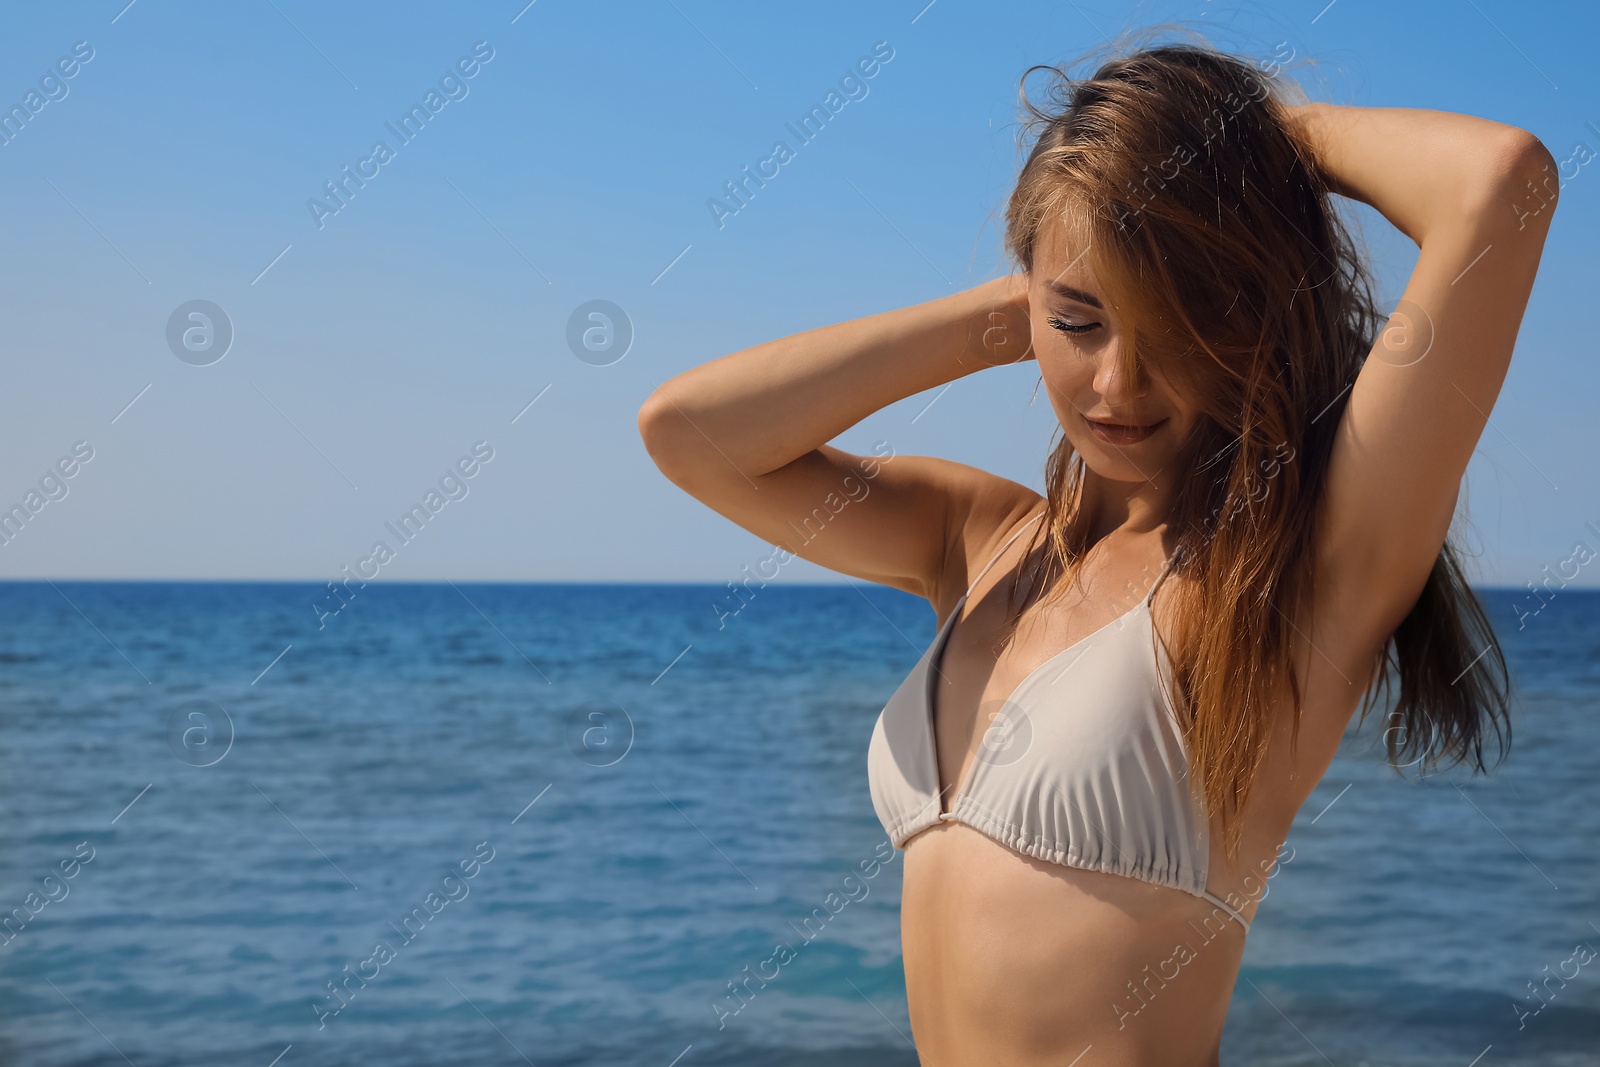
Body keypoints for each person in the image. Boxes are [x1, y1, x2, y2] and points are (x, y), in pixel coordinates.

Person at [637, 36, 1555, 1066]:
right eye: (1081, 322)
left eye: (1175, 325)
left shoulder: (1295, 574)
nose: (1117, 384)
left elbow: (1499, 181)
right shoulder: (980, 540)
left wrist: (1242, 144)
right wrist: (1023, 309)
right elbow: (689, 432)